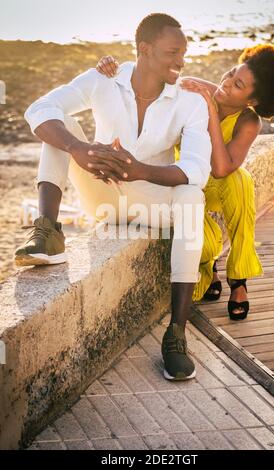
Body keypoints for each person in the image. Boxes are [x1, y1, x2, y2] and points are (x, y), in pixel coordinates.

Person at [15, 13, 212, 381]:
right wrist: (79, 148)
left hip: (152, 200)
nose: (181, 62)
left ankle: (176, 334)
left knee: (191, 196)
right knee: (60, 131)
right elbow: (37, 108)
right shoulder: (103, 79)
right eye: (173, 52)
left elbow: (198, 168)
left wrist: (141, 170)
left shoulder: (190, 102)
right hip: (103, 193)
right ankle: (47, 233)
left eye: (184, 53)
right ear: (145, 50)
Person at [97, 43, 274, 320]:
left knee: (240, 180)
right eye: (229, 73)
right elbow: (150, 72)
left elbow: (222, 168)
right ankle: (210, 264)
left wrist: (212, 115)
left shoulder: (248, 121)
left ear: (251, 101)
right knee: (203, 243)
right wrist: (113, 67)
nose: (225, 83)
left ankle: (239, 280)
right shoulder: (196, 89)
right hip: (185, 183)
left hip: (218, 183)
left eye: (237, 84)